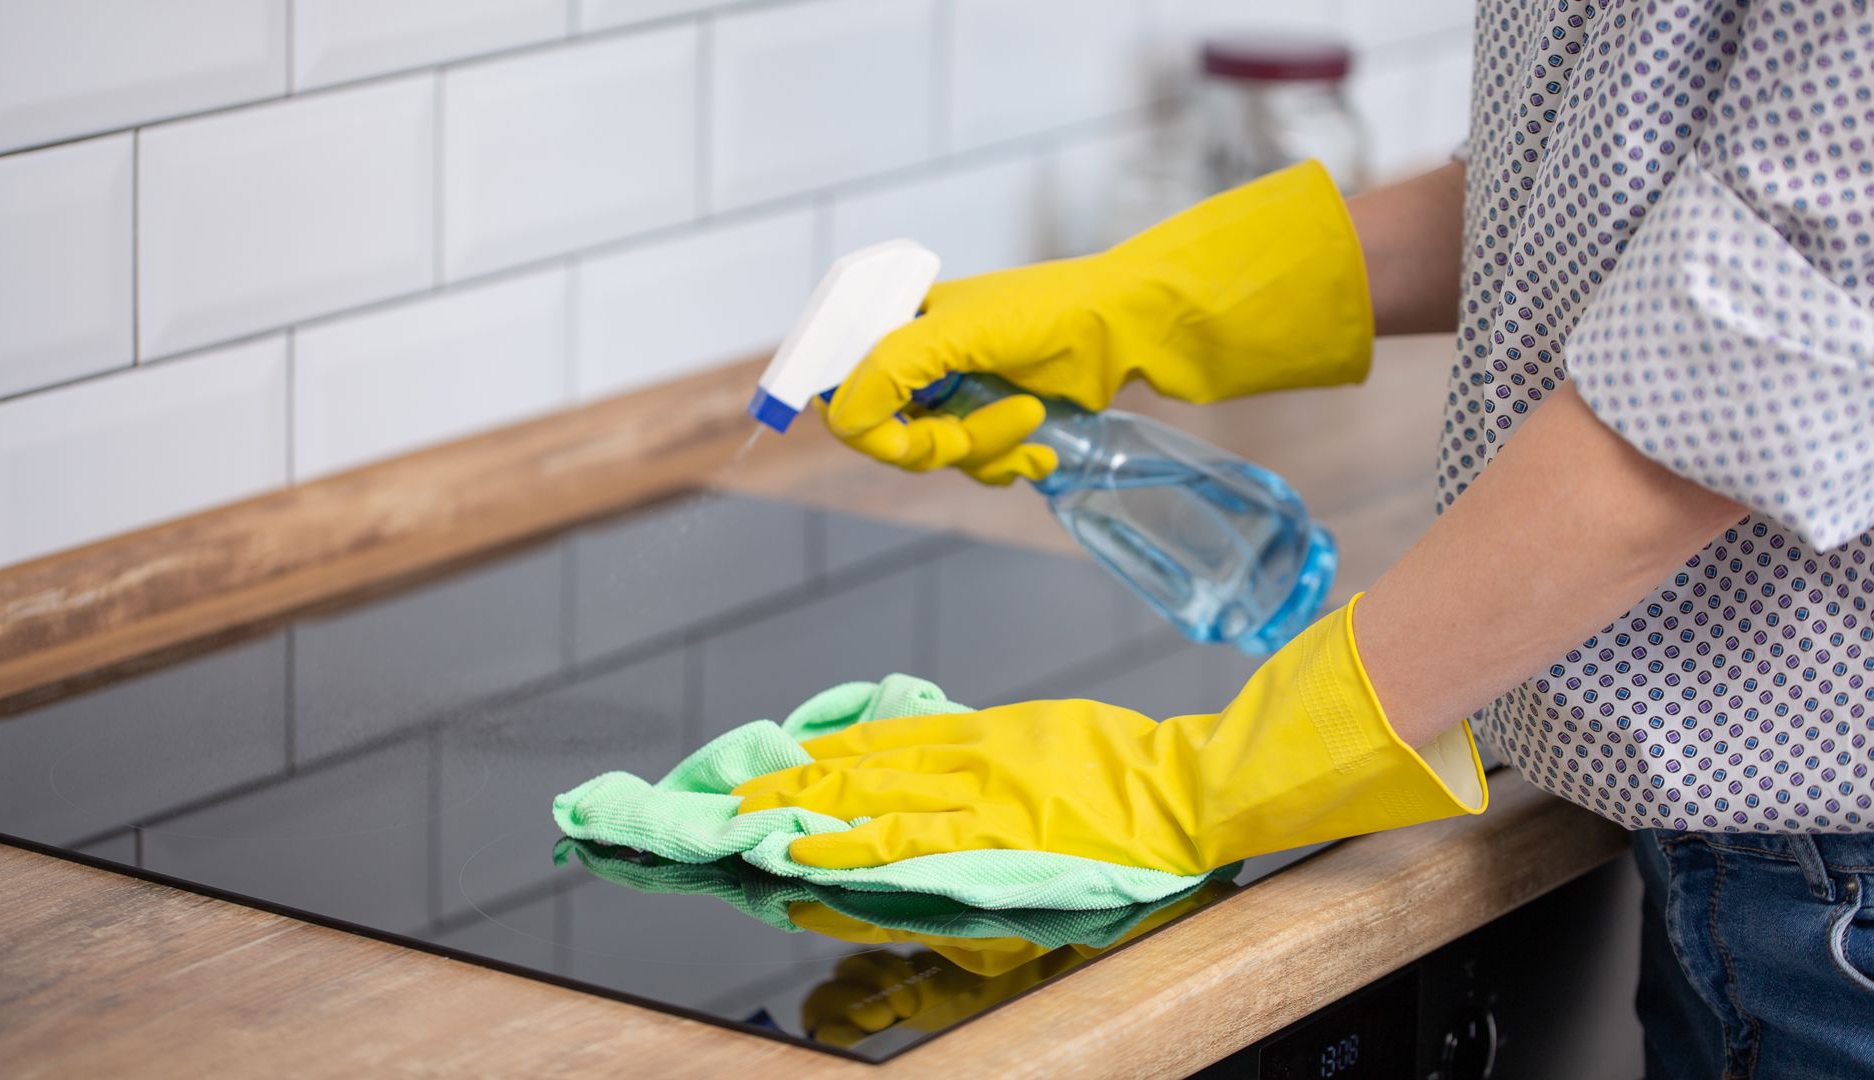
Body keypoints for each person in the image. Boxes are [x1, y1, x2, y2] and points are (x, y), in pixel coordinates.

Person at [729, 2, 1874, 1075]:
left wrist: (1219, 779)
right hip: (1757, 858)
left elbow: (1742, 375)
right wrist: (1135, 298)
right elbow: (1597, 197)